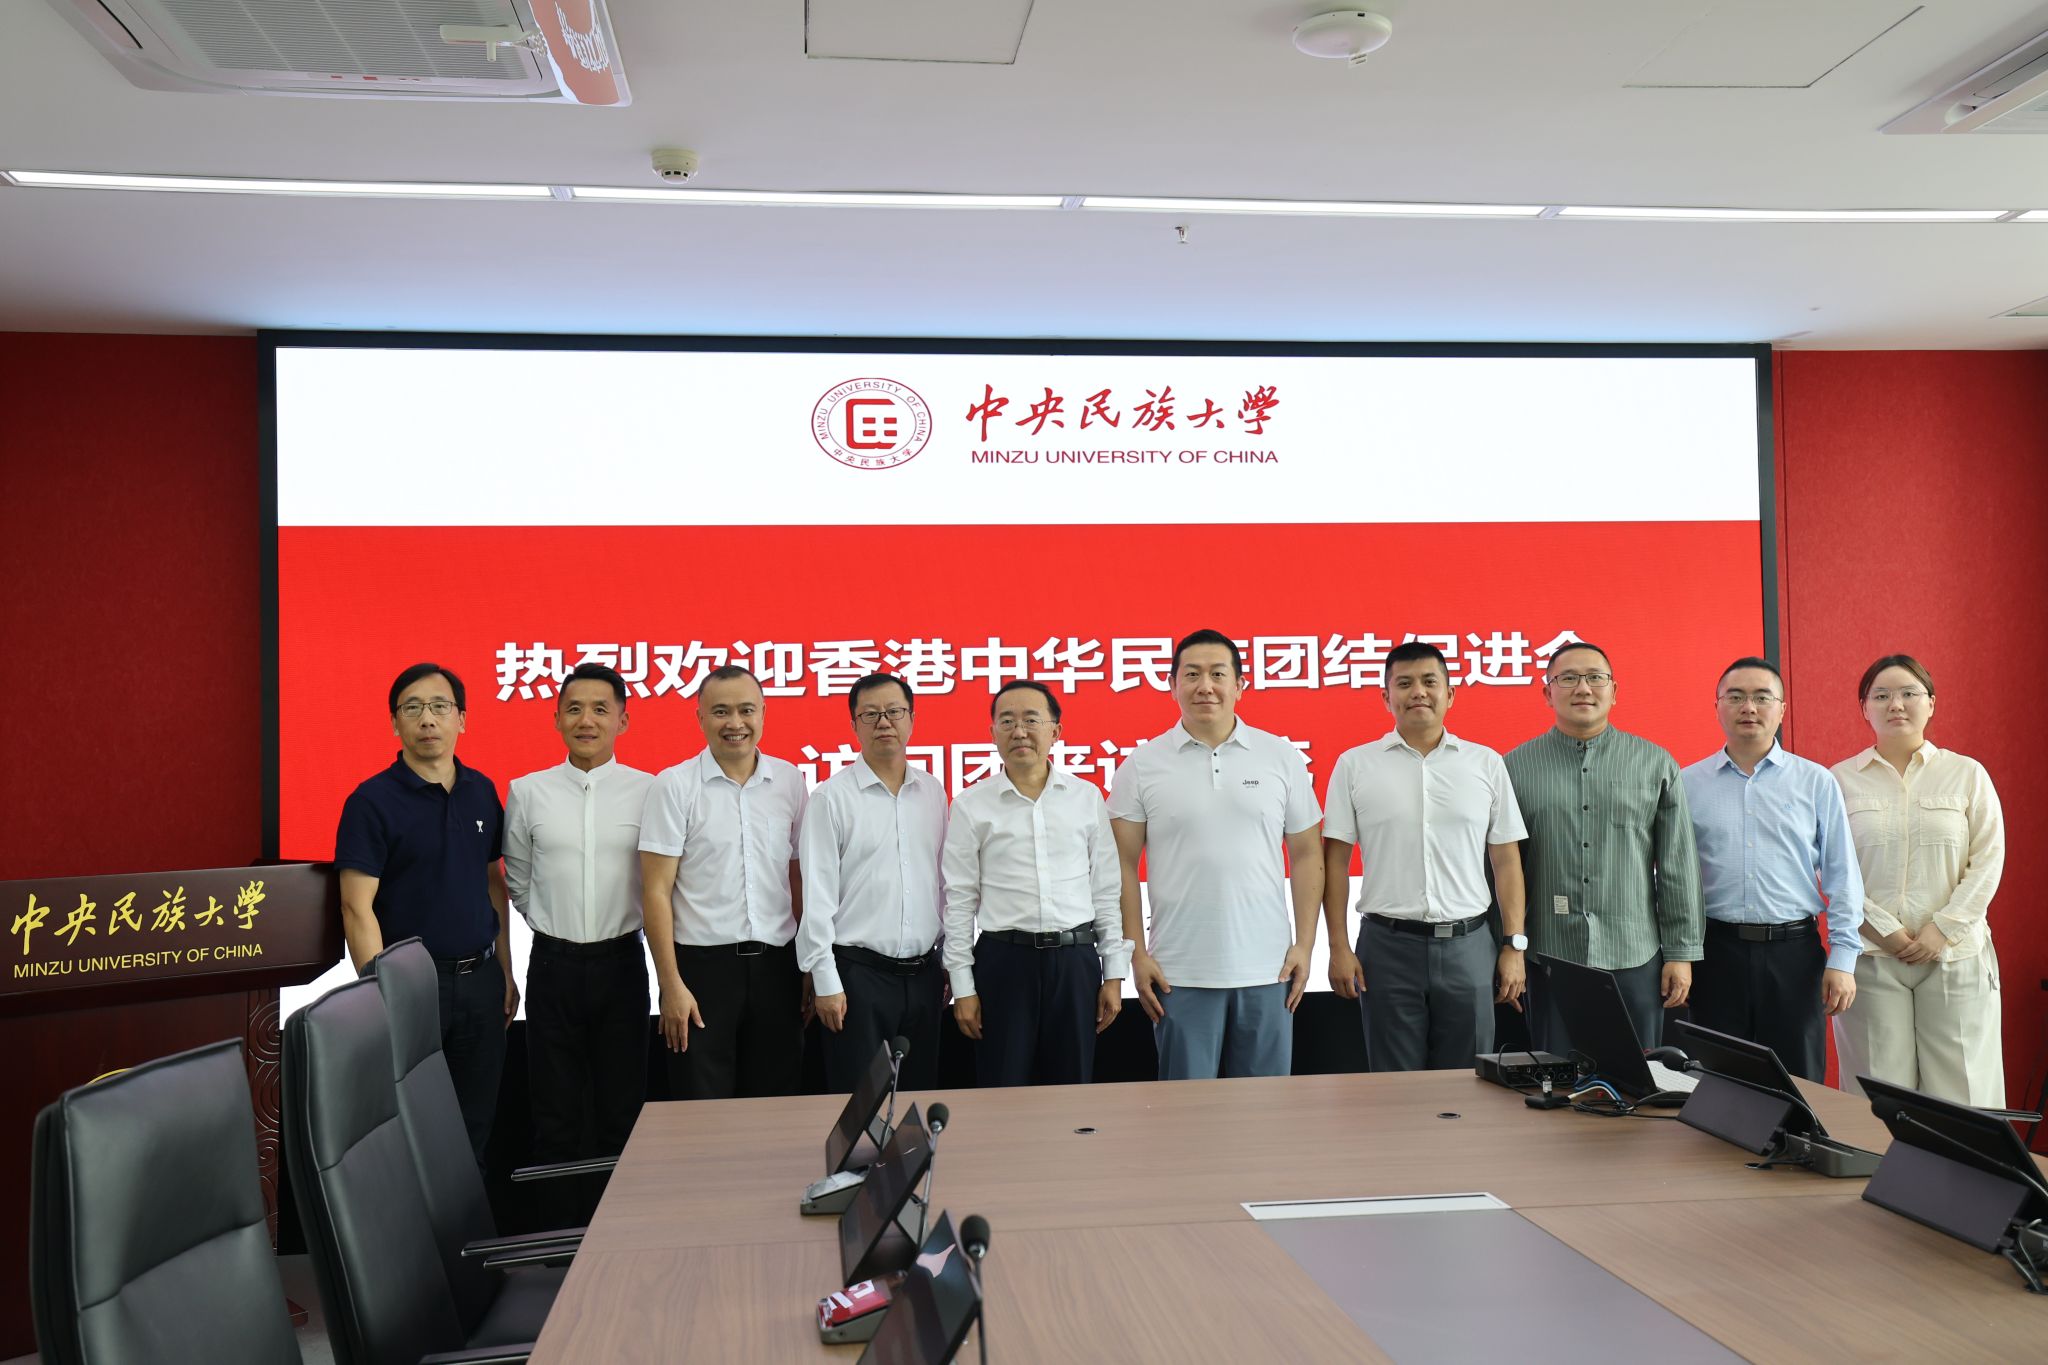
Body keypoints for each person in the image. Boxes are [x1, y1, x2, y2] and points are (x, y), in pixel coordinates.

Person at [1107, 629, 1323, 1081]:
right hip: (1178, 972)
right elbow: (1121, 864)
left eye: (1218, 674)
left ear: (1240, 686)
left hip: (1269, 970)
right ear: (1172, 685)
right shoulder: (1142, 765)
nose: (1205, 686)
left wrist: (1306, 944)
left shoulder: (1280, 757)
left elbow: (1306, 854)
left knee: (1266, 1110)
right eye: (1192, 674)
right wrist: (1135, 953)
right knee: (1188, 1113)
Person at [335, 662, 515, 1166]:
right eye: (412, 708)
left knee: (475, 1126)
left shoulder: (481, 790)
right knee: (409, 1129)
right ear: (395, 723)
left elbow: (492, 881)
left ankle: (469, 1221)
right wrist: (380, 994)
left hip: (480, 981)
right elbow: (355, 907)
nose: (427, 719)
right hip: (410, 986)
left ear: (462, 719)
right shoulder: (371, 802)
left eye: (439, 707)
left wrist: (506, 969)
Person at [1322, 641, 1528, 1071]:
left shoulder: (1485, 763)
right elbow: (1335, 864)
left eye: (1430, 681)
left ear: (1449, 694)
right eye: (1405, 683)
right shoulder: (1355, 765)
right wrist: (1338, 946)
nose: (1418, 691)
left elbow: (1507, 861)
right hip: (1386, 948)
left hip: (1469, 946)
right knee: (1394, 1086)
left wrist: (1514, 945)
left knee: (1469, 1081)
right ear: (1386, 697)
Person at [503, 662, 654, 1206]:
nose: (586, 720)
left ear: (622, 721)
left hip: (623, 962)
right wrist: (551, 920)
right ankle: (558, 1230)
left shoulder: (649, 791)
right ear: (557, 720)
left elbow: (659, 881)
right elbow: (518, 878)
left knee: (623, 1109)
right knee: (554, 1110)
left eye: (599, 709)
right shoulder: (528, 791)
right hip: (553, 965)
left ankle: (623, 1226)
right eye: (573, 709)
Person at [1503, 641, 1701, 1052]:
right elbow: (1503, 870)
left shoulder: (1655, 763)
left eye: (1595, 677)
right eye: (1568, 678)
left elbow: (1677, 865)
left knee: (1639, 1077)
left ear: (1614, 691)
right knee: (1558, 1078)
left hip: (1635, 952)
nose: (1583, 688)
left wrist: (1680, 953)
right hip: (1550, 953)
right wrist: (1508, 948)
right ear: (1547, 692)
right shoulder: (1514, 767)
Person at [1832, 655, 2006, 1106]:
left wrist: (1943, 928)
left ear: (1931, 703)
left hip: (1955, 954)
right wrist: (1883, 930)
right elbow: (1830, 868)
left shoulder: (1966, 774)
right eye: (1881, 695)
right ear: (1864, 708)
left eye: (1909, 693)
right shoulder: (1838, 781)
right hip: (1871, 955)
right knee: (1876, 1098)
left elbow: (1988, 859)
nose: (1896, 704)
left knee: (1964, 1096)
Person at [1680, 657, 1862, 1082]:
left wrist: (1843, 959)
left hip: (1793, 953)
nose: (1749, 707)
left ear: (1781, 709)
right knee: (1718, 1082)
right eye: (1736, 697)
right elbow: (1669, 877)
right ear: (1717, 707)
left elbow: (1843, 874)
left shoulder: (1815, 781)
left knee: (1799, 1084)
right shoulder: (1687, 783)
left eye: (1762, 698)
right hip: (1715, 953)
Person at [943, 680, 1131, 1086]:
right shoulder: (971, 805)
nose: (1019, 731)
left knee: (1073, 1089)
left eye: (1031, 720)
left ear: (1055, 731)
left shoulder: (1085, 797)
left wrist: (1114, 973)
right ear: (992, 732)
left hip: (1075, 962)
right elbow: (958, 902)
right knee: (1003, 1087)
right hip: (1003, 963)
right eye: (1007, 721)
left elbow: (1105, 891)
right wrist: (963, 986)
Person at [639, 665, 808, 1099]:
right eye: (721, 712)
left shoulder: (789, 781)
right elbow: (655, 891)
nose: (735, 723)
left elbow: (799, 878)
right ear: (700, 717)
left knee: (777, 1102)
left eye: (746, 710)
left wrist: (810, 966)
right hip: (701, 971)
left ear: (764, 714)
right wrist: (670, 984)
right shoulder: (674, 785)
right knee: (702, 1108)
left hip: (778, 968)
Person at [796, 672, 949, 1092]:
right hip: (857, 979)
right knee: (861, 1104)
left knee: (917, 1100)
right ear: (854, 725)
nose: (884, 722)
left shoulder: (932, 792)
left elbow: (944, 885)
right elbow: (817, 897)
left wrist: (949, 961)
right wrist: (825, 980)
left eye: (895, 711)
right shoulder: (831, 798)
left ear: (912, 719)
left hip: (924, 975)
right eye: (871, 714)